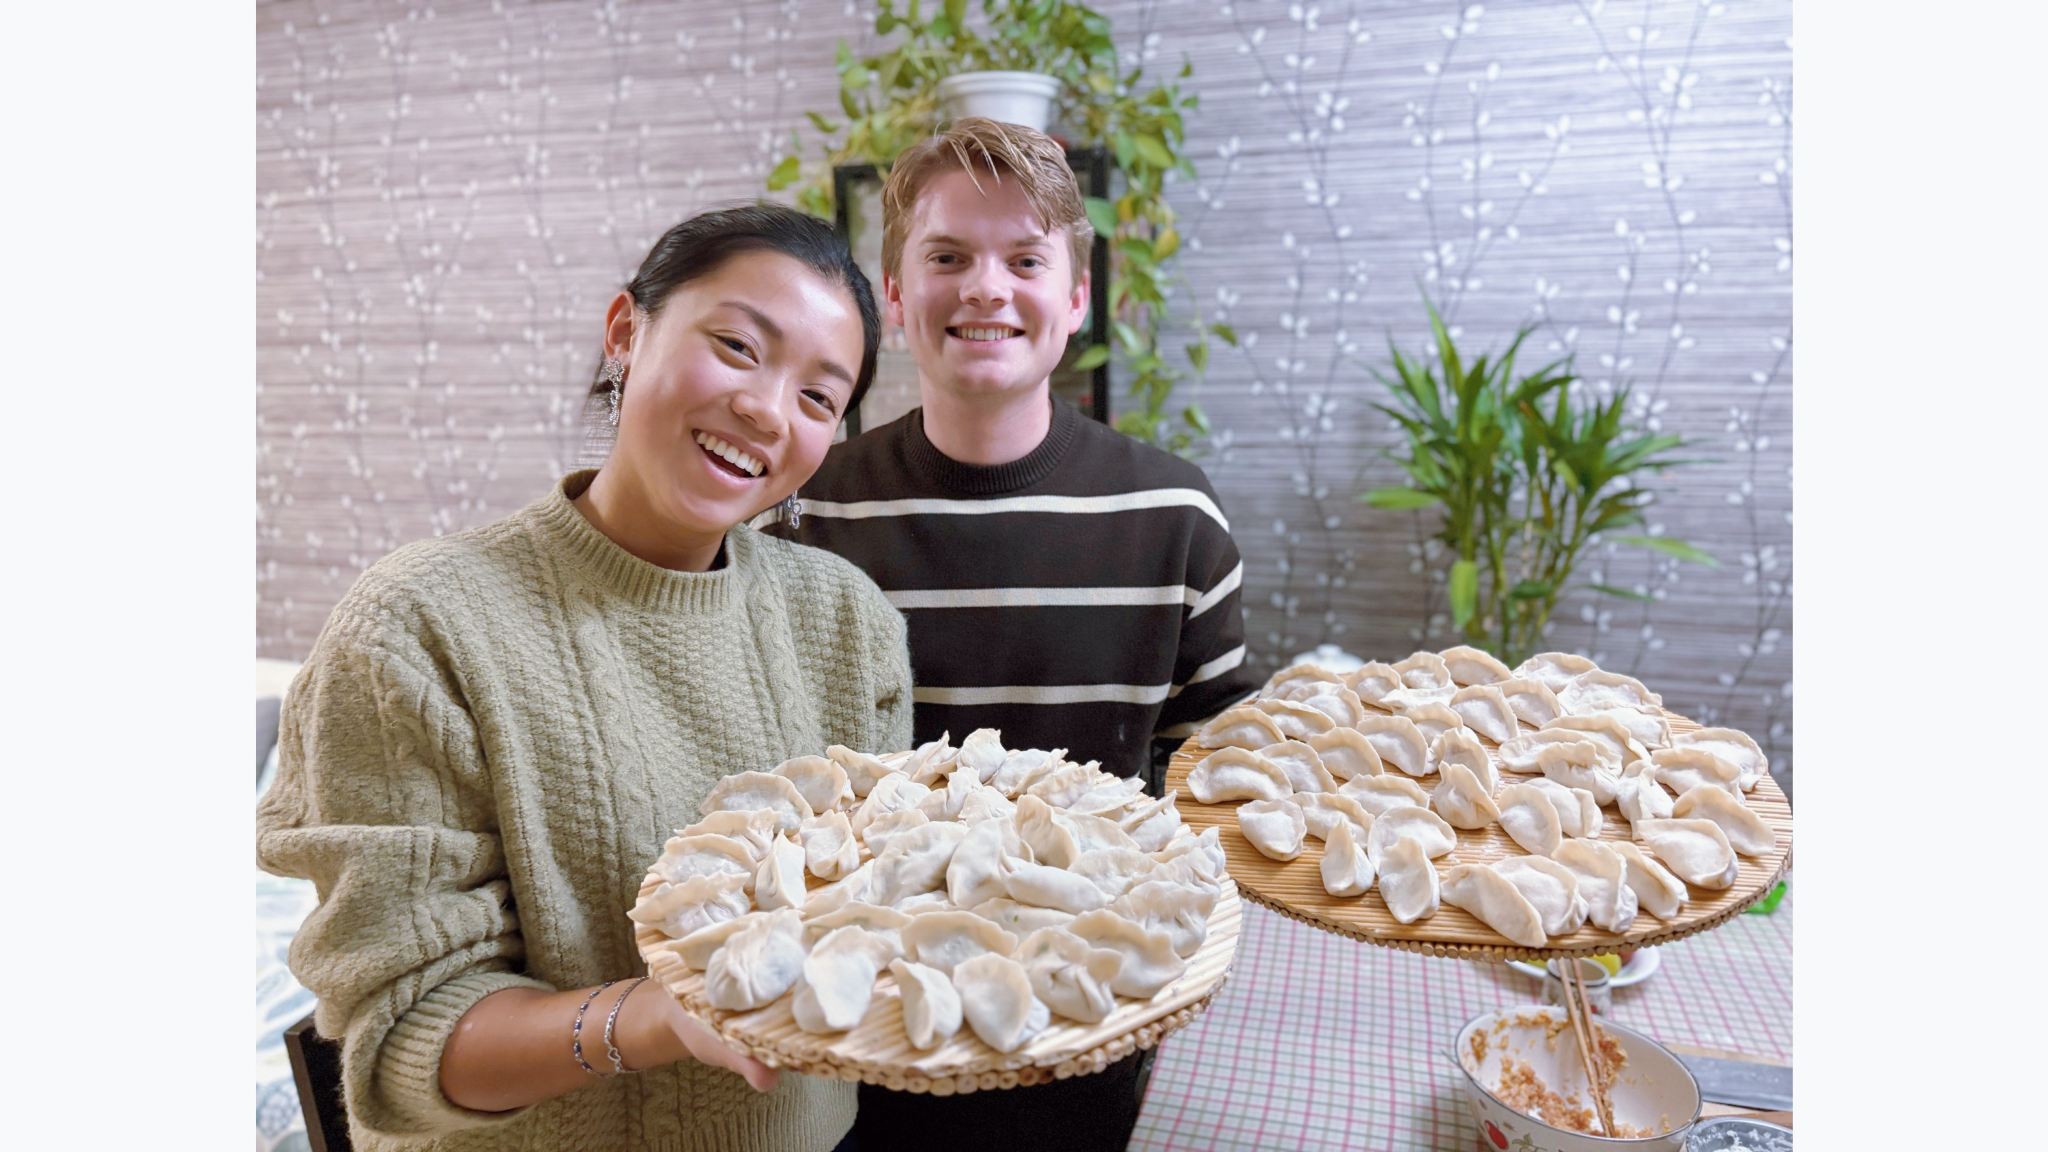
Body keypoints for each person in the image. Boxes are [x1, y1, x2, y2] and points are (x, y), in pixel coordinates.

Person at [256, 204, 916, 1152]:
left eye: (819, 398)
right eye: (737, 346)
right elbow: (404, 1040)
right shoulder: (416, 626)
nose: (768, 410)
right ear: (625, 332)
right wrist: (665, 1017)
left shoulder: (846, 622)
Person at [776, 118, 1260, 1152]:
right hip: (848, 1033)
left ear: (1075, 296)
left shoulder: (1176, 517)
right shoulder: (804, 516)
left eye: (1024, 260)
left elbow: (1206, 779)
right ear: (895, 297)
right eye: (946, 257)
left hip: (1089, 1026)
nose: (986, 289)